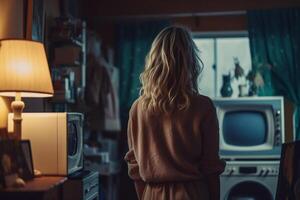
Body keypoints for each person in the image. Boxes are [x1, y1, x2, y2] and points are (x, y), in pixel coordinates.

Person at [124, 26, 225, 200]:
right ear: (191, 62)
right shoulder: (203, 106)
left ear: (154, 62)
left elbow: (135, 169)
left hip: (151, 195)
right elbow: (211, 168)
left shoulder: (137, 108)